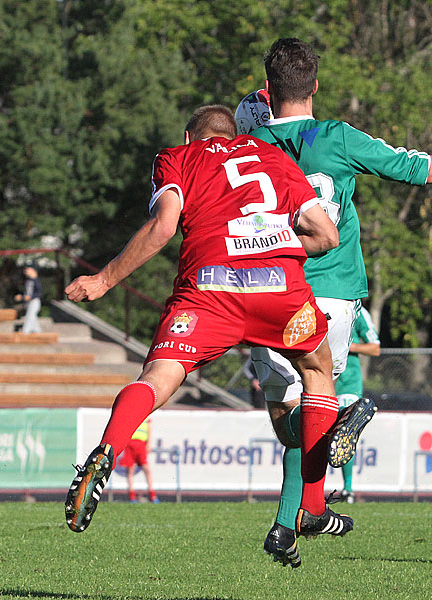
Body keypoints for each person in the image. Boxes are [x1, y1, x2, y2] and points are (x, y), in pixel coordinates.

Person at [243, 37, 432, 566]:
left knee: (286, 419)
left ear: (268, 90)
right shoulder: (338, 138)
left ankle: (291, 517)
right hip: (334, 292)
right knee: (311, 408)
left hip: (272, 289)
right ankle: (292, 520)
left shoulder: (248, 146)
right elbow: (419, 169)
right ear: (315, 86)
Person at [63, 105, 351, 568]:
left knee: (158, 376)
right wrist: (275, 245)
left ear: (188, 134)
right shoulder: (273, 157)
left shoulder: (176, 157)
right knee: (317, 372)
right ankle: (312, 506)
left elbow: (163, 226)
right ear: (237, 133)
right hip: (278, 288)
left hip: (209, 287)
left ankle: (106, 450)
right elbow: (326, 235)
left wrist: (103, 280)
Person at [334, 304, 381, 503]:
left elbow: (375, 347)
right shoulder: (319, 303)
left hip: (348, 383)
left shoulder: (359, 312)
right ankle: (313, 490)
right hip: (323, 379)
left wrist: (349, 346)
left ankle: (348, 489)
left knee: (345, 431)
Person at [115, 417, 159, 503]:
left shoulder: (146, 414)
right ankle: (132, 496)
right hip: (130, 443)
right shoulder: (131, 413)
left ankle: (152, 495)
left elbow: (149, 428)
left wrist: (148, 443)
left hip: (141, 444)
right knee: (130, 470)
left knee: (146, 469)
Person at [14, 265, 42, 333]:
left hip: (34, 301)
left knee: (29, 317)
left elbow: (39, 292)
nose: (26, 271)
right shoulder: (28, 281)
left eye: (28, 270)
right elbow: (27, 293)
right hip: (28, 302)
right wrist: (22, 297)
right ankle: (38, 333)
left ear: (33, 271)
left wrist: (31, 297)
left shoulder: (36, 281)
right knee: (33, 319)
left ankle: (25, 332)